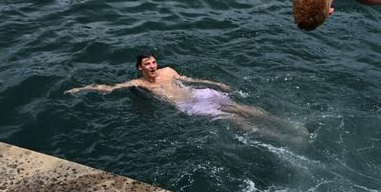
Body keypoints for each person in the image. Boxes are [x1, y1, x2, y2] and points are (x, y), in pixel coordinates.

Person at [67, 54, 306, 142]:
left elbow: (188, 79)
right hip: (188, 105)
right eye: (147, 64)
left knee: (247, 110)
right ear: (139, 68)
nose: (152, 66)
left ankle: (292, 126)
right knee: (235, 121)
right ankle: (285, 138)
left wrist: (214, 84)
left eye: (153, 62)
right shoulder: (138, 83)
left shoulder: (168, 71)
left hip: (199, 94)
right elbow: (109, 88)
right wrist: (82, 89)